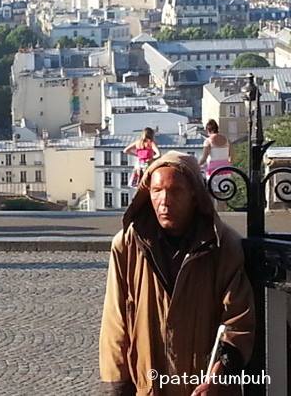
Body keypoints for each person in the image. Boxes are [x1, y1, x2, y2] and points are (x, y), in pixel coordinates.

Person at [99, 151, 255, 396]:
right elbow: (115, 320)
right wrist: (117, 385)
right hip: (147, 385)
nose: (165, 201)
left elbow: (237, 319)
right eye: (157, 191)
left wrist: (220, 375)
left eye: (175, 191)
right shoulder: (127, 245)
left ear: (194, 195)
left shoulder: (223, 246)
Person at [198, 119, 232, 183]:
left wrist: (196, 165)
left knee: (212, 191)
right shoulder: (227, 140)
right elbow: (231, 157)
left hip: (213, 171)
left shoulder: (208, 141)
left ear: (208, 130)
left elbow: (204, 159)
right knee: (223, 190)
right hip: (226, 170)